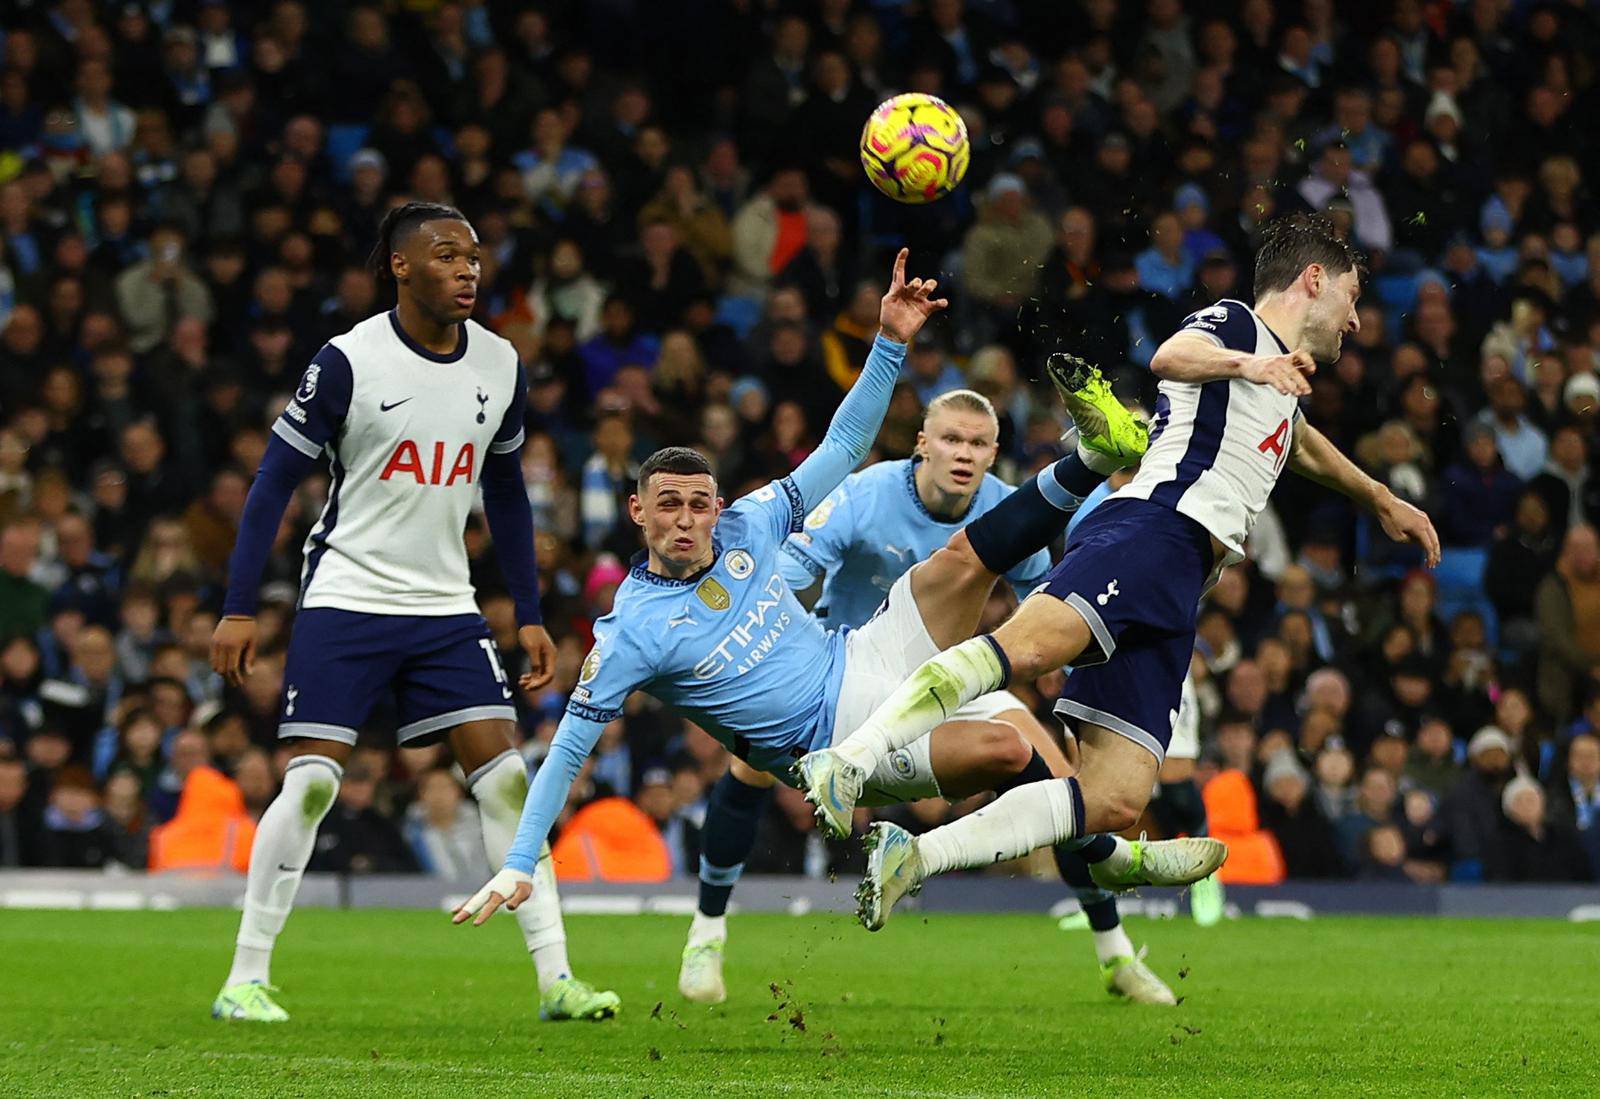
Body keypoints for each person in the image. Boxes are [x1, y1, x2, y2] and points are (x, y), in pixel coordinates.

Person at [456, 251, 1205, 971]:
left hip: (864, 651)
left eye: (697, 504)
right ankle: (772, 904)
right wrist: (520, 859)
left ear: (716, 506)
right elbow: (565, 751)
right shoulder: (630, 634)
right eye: (667, 507)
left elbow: (843, 443)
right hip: (834, 742)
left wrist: (887, 342)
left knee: (960, 563)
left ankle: (1097, 456)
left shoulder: (748, 525)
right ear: (637, 513)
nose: (685, 520)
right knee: (1008, 753)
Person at [800, 214, 1440, 929]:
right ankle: (850, 759)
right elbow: (1171, 354)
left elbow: (1301, 441)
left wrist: (1380, 496)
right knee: (1028, 649)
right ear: (1313, 280)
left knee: (1112, 799)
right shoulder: (1236, 325)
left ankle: (913, 858)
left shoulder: (1277, 381)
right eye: (1351, 296)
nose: (1355, 318)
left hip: (1184, 580)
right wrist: (1248, 364)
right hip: (1150, 530)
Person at [208, 202, 618, 1025]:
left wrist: (529, 611)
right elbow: (272, 486)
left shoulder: (500, 363)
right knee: (315, 782)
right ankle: (244, 977)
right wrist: (239, 607)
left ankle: (557, 980)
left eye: (473, 255)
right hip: (347, 595)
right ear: (400, 266)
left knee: (507, 780)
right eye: (445, 255)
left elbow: (503, 488)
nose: (467, 269)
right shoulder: (349, 360)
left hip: (444, 605)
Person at [671, 388, 1170, 1006]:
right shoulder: (865, 494)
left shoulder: (1005, 508)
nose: (962, 454)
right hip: (845, 679)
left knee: (1056, 779)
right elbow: (791, 570)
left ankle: (1113, 951)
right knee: (746, 763)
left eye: (977, 443)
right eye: (951, 440)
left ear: (993, 454)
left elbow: (1041, 593)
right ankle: (706, 935)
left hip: (951, 680)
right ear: (923, 444)